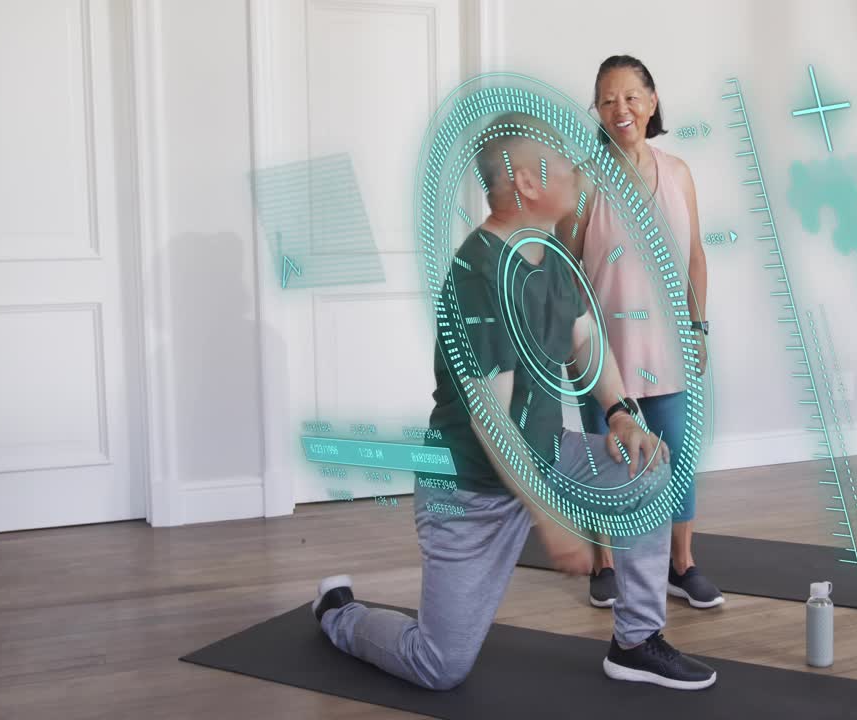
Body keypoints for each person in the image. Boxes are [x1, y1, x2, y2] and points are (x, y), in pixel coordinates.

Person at [310, 114, 717, 692]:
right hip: (470, 489)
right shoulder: (479, 275)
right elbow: (492, 425)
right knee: (439, 666)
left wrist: (623, 413)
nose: (578, 171)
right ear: (526, 182)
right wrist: (551, 520)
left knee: (647, 469)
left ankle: (636, 642)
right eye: (563, 163)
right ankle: (338, 614)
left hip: (546, 457)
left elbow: (585, 342)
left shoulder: (550, 255)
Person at [558, 55, 723, 610]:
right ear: (598, 111)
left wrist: (699, 327)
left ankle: (682, 564)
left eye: (631, 96)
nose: (619, 108)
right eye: (607, 99)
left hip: (671, 343)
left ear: (652, 102)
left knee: (677, 454)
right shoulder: (582, 178)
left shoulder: (677, 172)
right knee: (609, 460)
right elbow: (565, 263)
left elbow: (695, 258)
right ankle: (604, 563)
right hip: (605, 350)